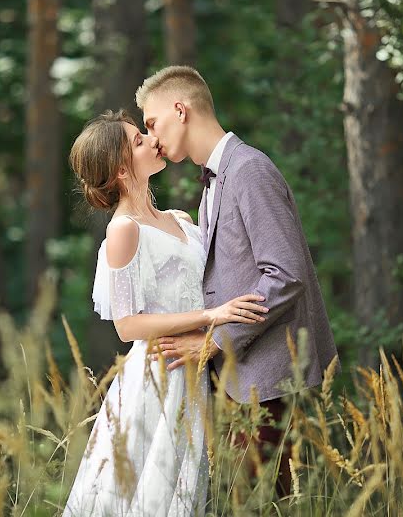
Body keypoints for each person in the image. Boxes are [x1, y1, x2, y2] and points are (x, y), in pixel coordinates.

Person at [138, 65, 339, 495]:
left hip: (260, 379)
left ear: (181, 109)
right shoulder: (217, 178)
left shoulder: (249, 170)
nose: (151, 137)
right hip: (234, 380)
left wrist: (214, 341)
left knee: (262, 501)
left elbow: (286, 274)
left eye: (152, 123)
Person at [63, 109, 269, 516]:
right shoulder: (124, 231)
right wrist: (211, 317)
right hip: (158, 374)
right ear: (122, 170)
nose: (150, 138)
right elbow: (127, 325)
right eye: (138, 140)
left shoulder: (178, 219)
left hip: (197, 370)